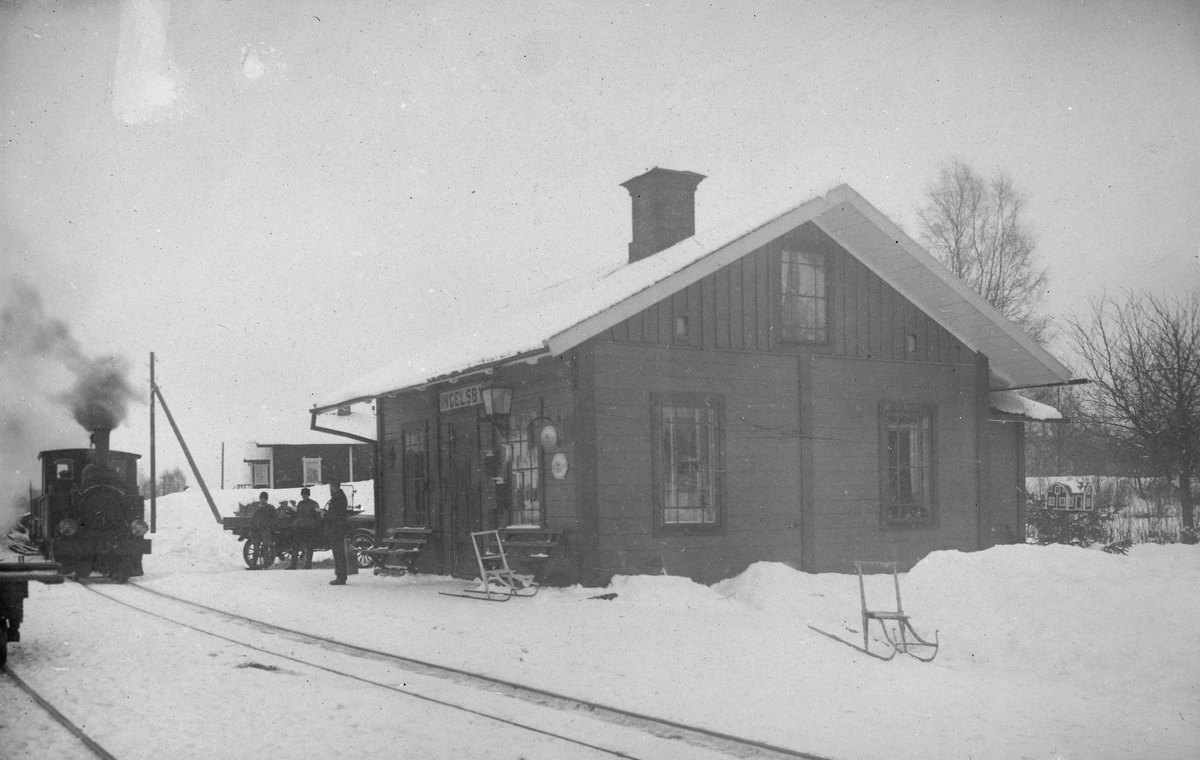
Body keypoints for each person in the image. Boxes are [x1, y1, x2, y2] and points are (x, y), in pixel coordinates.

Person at [325, 478, 349, 584]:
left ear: (334, 486)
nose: (330, 488)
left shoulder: (337, 497)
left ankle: (340, 577)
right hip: (338, 528)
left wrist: (325, 515)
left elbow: (334, 515)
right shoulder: (339, 496)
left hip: (336, 528)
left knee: (338, 553)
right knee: (339, 553)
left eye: (331, 486)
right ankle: (341, 576)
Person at [290, 488, 320, 570]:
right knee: (295, 546)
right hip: (300, 527)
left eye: (305, 495)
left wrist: (314, 525)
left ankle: (308, 565)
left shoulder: (313, 504)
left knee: (309, 547)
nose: (304, 496)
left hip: (309, 527)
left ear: (308, 495)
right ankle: (293, 565)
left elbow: (317, 516)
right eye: (303, 495)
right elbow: (298, 515)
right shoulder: (300, 504)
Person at [249, 492, 277, 570]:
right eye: (261, 499)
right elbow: (253, 520)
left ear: (266, 499)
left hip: (266, 530)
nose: (262, 500)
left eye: (264, 499)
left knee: (265, 547)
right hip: (257, 531)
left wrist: (268, 526)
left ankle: (265, 565)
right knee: (256, 548)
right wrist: (252, 529)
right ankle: (253, 565)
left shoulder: (270, 508)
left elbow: (274, 518)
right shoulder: (258, 509)